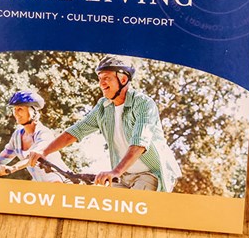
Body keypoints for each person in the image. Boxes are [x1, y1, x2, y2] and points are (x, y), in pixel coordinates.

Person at [30, 55, 181, 191]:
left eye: (106, 78)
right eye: (100, 78)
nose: (101, 83)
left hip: (150, 174)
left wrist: (116, 171)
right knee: (108, 215)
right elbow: (75, 132)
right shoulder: (103, 106)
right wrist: (44, 151)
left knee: (132, 214)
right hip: (123, 176)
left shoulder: (143, 103)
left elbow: (139, 143)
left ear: (123, 79)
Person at [0, 90, 67, 183]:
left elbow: (33, 157)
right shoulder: (17, 136)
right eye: (14, 109)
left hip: (60, 183)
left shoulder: (44, 133)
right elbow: (0, 159)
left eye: (20, 109)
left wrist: (13, 168)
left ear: (33, 111)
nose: (16, 113)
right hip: (41, 188)